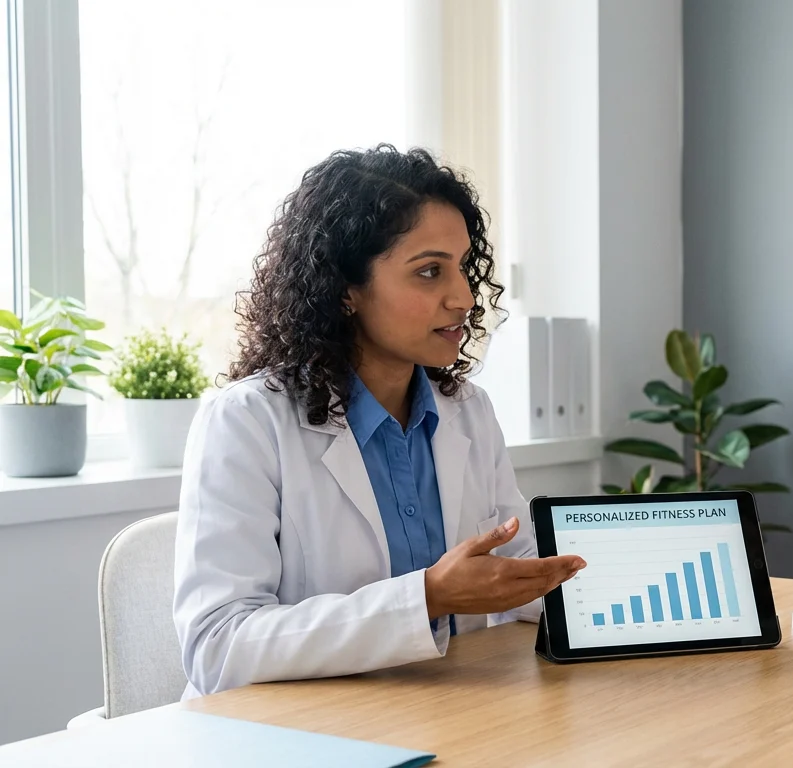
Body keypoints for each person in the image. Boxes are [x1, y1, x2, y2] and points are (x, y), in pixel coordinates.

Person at [173, 145, 585, 698]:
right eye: (429, 272)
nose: (463, 297)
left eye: (463, 267)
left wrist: (598, 572)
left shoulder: (468, 410)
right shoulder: (247, 422)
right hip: (301, 735)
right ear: (345, 289)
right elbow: (217, 647)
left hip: (447, 710)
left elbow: (516, 572)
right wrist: (429, 597)